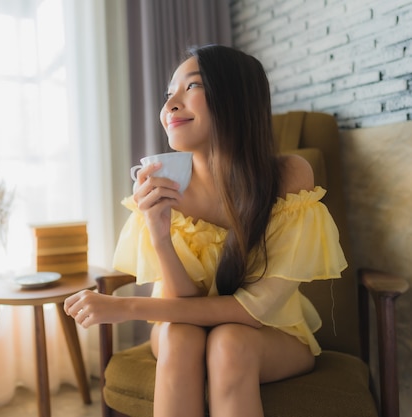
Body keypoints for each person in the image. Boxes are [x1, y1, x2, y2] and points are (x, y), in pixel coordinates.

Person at [63, 44, 347, 417]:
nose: (170, 106)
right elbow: (182, 304)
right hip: (181, 327)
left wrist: (125, 307)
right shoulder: (163, 187)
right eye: (168, 95)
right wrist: (159, 233)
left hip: (271, 331)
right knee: (180, 336)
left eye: (191, 87)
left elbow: (255, 311)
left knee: (230, 343)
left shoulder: (289, 178)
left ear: (234, 98)